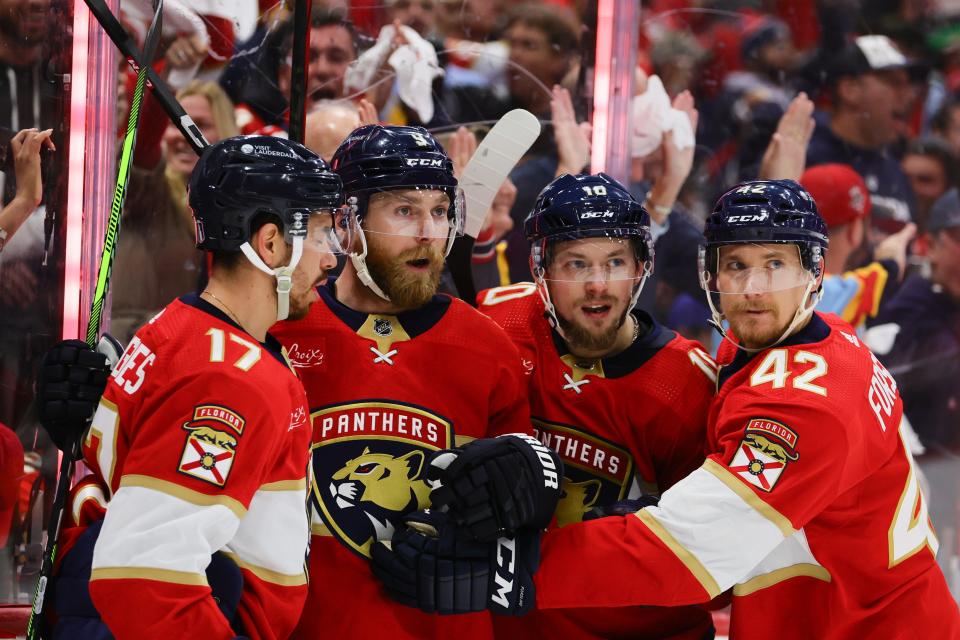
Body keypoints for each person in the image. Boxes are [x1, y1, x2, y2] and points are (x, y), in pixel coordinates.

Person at [510, 180, 959, 638]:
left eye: (775, 265)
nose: (753, 289)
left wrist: (514, 570)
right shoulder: (803, 336)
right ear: (713, 275)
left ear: (813, 272)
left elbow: (688, 552)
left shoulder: (805, 407)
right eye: (737, 265)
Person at [37, 135, 348, 639]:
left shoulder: (179, 323)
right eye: (316, 235)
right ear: (270, 243)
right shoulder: (230, 378)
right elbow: (143, 574)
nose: (331, 260)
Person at [269, 124, 534, 640]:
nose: (429, 234)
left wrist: (481, 556)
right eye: (405, 210)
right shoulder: (278, 330)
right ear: (346, 224)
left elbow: (516, 524)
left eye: (439, 211)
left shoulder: (489, 348)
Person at [477, 173, 717, 638]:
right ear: (541, 269)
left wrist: (653, 530)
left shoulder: (686, 384)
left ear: (642, 267)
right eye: (575, 264)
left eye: (615, 263)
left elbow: (717, 565)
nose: (598, 285)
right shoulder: (498, 323)